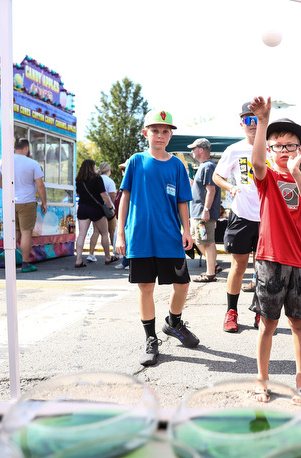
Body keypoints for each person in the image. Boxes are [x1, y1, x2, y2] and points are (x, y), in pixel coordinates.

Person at [114, 109, 199, 367]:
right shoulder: (136, 161)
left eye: (165, 131)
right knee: (146, 287)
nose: (160, 135)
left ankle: (173, 322)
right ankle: (150, 339)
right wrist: (120, 232)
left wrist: (187, 230)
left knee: (182, 284)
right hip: (139, 236)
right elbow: (125, 197)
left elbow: (183, 201)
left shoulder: (177, 165)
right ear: (145, 133)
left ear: (171, 135)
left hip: (170, 235)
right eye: (155, 130)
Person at [246, 97, 301, 403]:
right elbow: (258, 163)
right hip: (270, 258)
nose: (284, 150)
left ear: (300, 149)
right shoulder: (267, 177)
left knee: (298, 323)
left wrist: (298, 171)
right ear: (271, 149)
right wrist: (263, 121)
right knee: (268, 323)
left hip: (300, 259)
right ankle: (261, 379)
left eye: (291, 145)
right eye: (278, 146)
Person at [213, 102, 264, 332]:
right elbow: (217, 176)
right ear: (241, 123)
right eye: (248, 120)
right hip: (241, 215)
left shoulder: (271, 148)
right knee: (239, 265)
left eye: (257, 119)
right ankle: (231, 312)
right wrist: (230, 188)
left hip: (267, 217)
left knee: (263, 267)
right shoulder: (234, 150)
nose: (252, 124)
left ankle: (261, 312)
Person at [0, 138, 48, 273]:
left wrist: (9, 189)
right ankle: (25, 263)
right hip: (27, 202)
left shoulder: (4, 160)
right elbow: (40, 185)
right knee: (26, 232)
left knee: (15, 231)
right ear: (26, 148)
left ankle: (7, 255)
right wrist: (44, 202)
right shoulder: (32, 163)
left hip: (11, 202)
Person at [187, 138, 222, 282]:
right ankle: (213, 266)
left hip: (202, 212)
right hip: (198, 212)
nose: (192, 151)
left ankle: (210, 272)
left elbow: (211, 190)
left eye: (193, 148)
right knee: (199, 240)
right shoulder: (204, 166)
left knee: (207, 242)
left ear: (201, 149)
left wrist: (206, 210)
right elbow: (200, 187)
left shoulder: (208, 167)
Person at [74, 159, 117, 268]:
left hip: (83, 208)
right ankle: (108, 257)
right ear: (92, 167)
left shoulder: (79, 180)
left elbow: (78, 194)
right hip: (96, 209)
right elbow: (103, 195)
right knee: (103, 233)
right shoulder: (97, 179)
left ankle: (78, 260)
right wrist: (111, 208)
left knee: (81, 235)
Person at [87, 162, 119, 263]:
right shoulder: (110, 181)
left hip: (97, 209)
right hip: (108, 210)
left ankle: (91, 254)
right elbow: (113, 196)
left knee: (96, 232)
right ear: (108, 171)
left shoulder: (94, 180)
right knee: (111, 232)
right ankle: (115, 253)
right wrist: (111, 207)